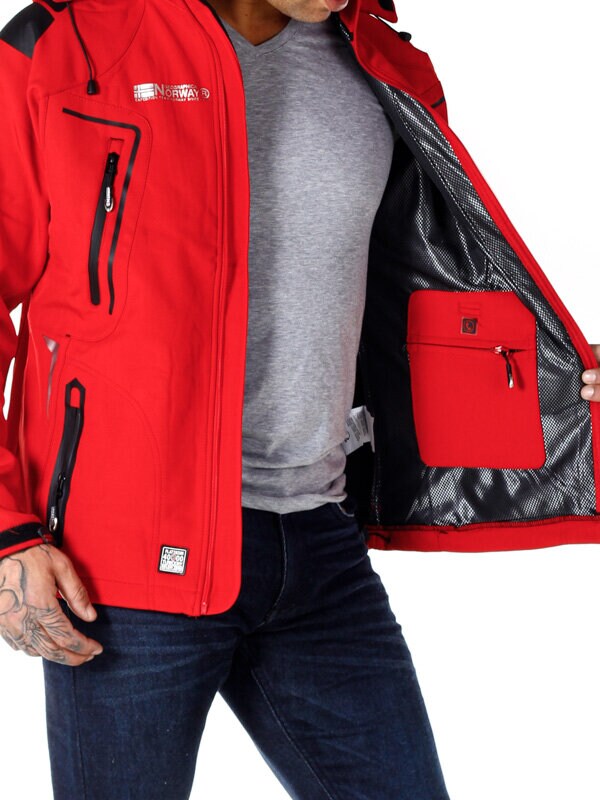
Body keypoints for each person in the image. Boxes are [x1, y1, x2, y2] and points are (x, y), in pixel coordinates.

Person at [0, 0, 599, 798]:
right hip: (123, 563)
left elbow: (415, 292)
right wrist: (6, 532)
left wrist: (559, 373)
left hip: (321, 543)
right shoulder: (66, 41)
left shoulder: (380, 61)